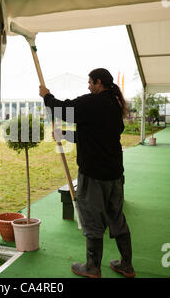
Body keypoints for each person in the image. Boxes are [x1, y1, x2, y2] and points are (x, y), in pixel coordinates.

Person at [39, 68, 135, 278]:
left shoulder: (93, 102)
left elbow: (63, 109)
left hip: (94, 175)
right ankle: (126, 265)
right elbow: (94, 134)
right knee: (117, 218)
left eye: (90, 82)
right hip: (115, 175)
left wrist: (46, 96)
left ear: (99, 82)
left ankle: (92, 267)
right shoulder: (114, 104)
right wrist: (65, 133)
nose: (88, 86)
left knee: (92, 219)